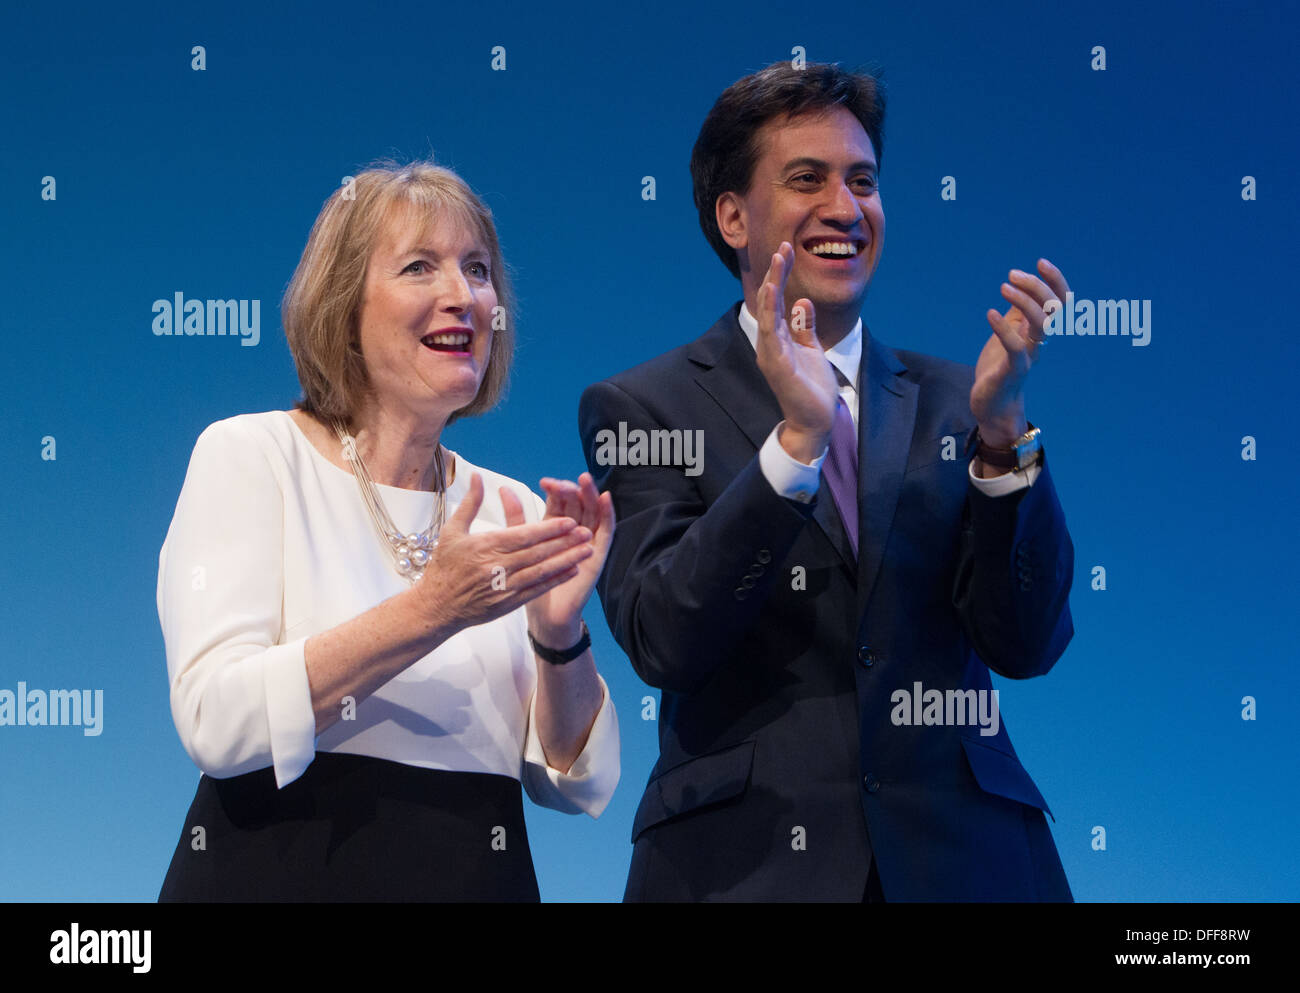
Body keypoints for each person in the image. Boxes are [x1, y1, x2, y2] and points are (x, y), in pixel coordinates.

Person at [579, 62, 1074, 901]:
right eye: (806, 179)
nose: (846, 209)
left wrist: (1002, 438)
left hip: (972, 862)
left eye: (864, 181)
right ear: (732, 215)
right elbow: (664, 634)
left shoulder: (962, 401)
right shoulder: (642, 405)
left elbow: (1026, 643)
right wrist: (796, 446)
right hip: (744, 865)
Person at [157, 160, 619, 901]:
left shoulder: (512, 508)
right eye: (419, 267)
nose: (461, 296)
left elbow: (573, 780)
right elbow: (217, 718)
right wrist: (434, 608)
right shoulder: (252, 455)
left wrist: (559, 635)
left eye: (477, 269)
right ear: (344, 305)